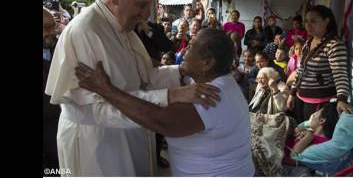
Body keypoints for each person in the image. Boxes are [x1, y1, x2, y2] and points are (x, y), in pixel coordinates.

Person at [45, 0, 220, 176]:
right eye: (140, 5)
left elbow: (144, 78)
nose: (145, 15)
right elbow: (94, 110)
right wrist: (171, 96)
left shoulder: (123, 27)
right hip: (99, 145)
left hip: (127, 135)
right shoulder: (85, 31)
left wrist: (180, 71)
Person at [75, 28, 255, 176]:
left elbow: (160, 120)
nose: (184, 51)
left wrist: (106, 90)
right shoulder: (211, 81)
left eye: (191, 47)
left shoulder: (214, 94)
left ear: (206, 63)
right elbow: (171, 78)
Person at [287, 5, 353, 124]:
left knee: (312, 136)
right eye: (306, 21)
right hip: (301, 97)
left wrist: (342, 99)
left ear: (326, 21)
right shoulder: (308, 43)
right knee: (299, 132)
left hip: (319, 101)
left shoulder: (334, 45)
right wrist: (292, 92)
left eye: (313, 21)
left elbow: (340, 74)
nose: (308, 25)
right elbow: (301, 69)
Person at [43, 8, 60, 174]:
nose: (51, 31)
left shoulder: (60, 49)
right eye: (45, 27)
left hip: (56, 123)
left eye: (52, 26)